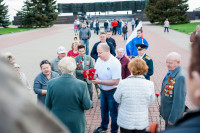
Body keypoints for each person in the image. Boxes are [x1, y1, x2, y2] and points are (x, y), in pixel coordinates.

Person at [0, 56, 70, 133]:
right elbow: (36, 90)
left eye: (47, 67)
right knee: (46, 120)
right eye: (44, 68)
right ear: (41, 69)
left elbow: (60, 86)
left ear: (50, 67)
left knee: (56, 117)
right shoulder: (38, 78)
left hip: (55, 101)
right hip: (43, 102)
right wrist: (48, 91)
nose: (46, 69)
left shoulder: (56, 75)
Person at [45, 57, 92, 133]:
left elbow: (47, 106)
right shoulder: (82, 84)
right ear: (74, 68)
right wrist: (91, 102)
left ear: (60, 68)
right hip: (75, 122)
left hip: (57, 120)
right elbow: (87, 105)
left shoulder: (51, 83)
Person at [114, 57, 155, 133]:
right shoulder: (150, 84)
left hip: (125, 121)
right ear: (144, 69)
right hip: (141, 121)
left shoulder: (123, 83)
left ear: (130, 68)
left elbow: (116, 98)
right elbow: (151, 101)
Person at [92, 43, 121, 133]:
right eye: (97, 53)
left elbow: (116, 81)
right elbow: (96, 73)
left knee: (113, 113)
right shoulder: (99, 60)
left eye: (100, 53)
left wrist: (99, 81)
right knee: (103, 110)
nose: (98, 55)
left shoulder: (115, 62)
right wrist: (93, 76)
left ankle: (114, 130)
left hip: (113, 92)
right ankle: (104, 127)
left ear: (107, 51)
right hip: (103, 91)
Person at [160, 52, 186, 128]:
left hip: (172, 116)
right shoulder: (172, 71)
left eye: (170, 63)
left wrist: (173, 118)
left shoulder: (180, 77)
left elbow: (179, 101)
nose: (167, 65)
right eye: (166, 62)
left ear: (178, 62)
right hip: (167, 112)